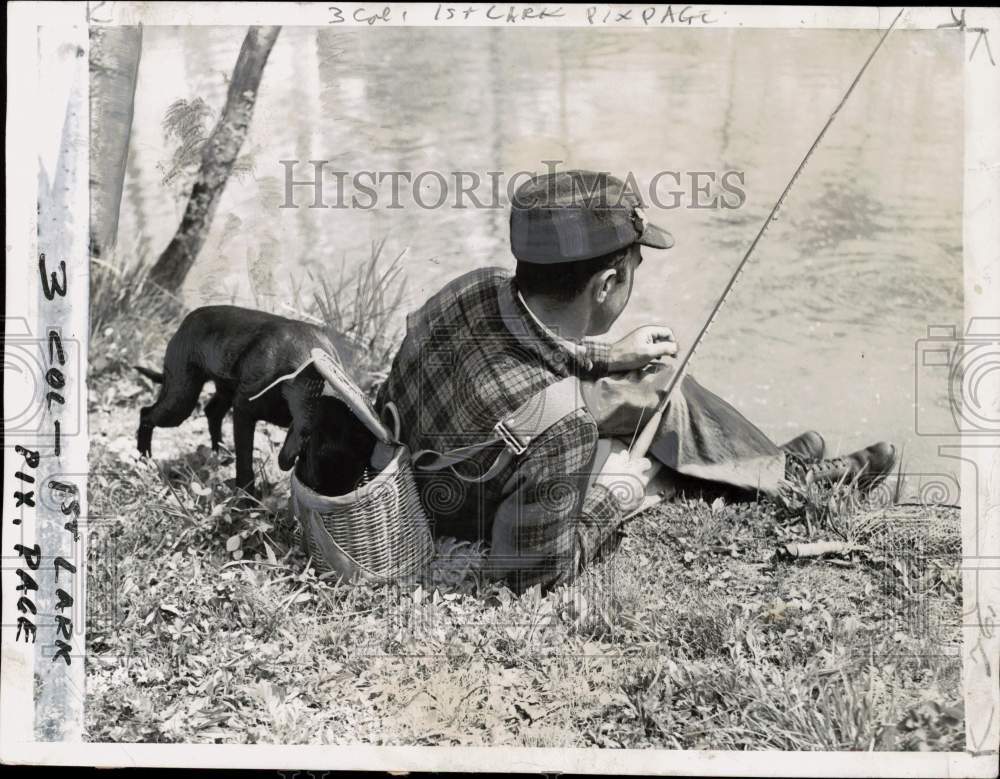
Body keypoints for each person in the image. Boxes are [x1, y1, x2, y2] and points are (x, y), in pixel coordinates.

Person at [375, 170, 896, 592]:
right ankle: (785, 479)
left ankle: (776, 469)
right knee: (631, 449)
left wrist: (608, 355)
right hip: (467, 504)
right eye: (634, 268)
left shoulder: (476, 286)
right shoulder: (563, 430)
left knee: (655, 383)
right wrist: (618, 494)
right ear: (606, 285)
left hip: (435, 454)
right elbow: (530, 576)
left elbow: (523, 345)